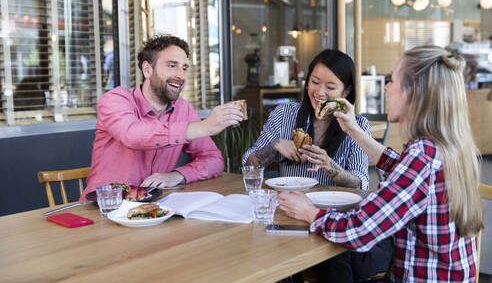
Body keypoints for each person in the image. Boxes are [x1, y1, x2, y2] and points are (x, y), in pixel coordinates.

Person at [279, 45, 484, 282]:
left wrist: (308, 211)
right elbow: (401, 168)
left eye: (393, 80)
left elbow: (358, 230)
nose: (386, 87)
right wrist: (353, 129)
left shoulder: (422, 156)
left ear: (414, 92)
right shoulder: (444, 146)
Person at [81, 35, 243, 199]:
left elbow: (214, 159)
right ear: (147, 70)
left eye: (184, 68)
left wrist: (176, 176)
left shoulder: (183, 109)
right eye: (172, 66)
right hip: (103, 208)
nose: (181, 76)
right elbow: (132, 135)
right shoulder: (115, 99)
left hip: (151, 210)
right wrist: (204, 127)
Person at [243, 49, 370, 190]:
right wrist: (274, 146)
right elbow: (248, 167)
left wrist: (329, 165)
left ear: (346, 91)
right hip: (290, 204)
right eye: (315, 82)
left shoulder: (358, 125)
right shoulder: (284, 114)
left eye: (330, 87)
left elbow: (360, 184)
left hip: (333, 208)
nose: (320, 92)